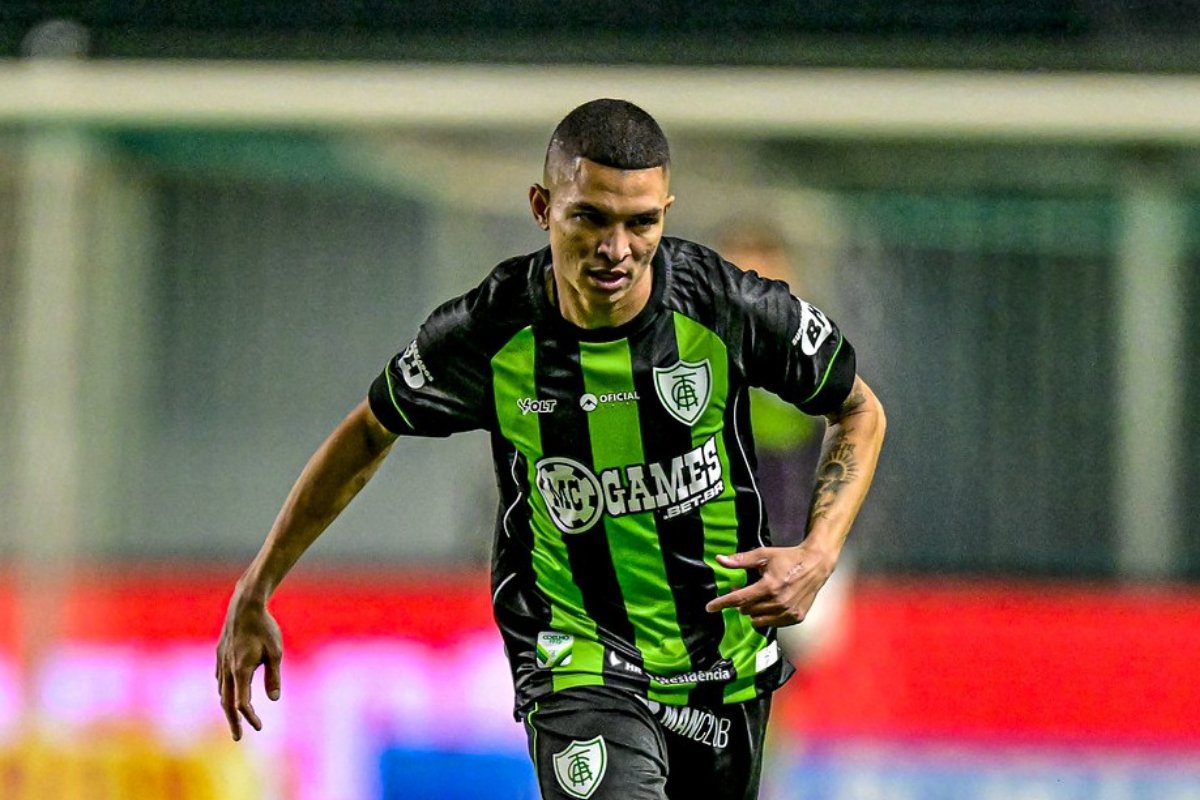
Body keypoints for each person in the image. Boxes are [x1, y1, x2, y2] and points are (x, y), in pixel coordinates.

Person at [216, 98, 886, 800]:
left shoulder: (727, 306)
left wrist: (820, 550)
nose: (616, 248)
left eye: (641, 223)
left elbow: (859, 408)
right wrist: (256, 586)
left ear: (666, 211)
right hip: (576, 660)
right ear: (543, 206)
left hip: (720, 666)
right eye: (590, 217)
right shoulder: (490, 331)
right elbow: (368, 431)